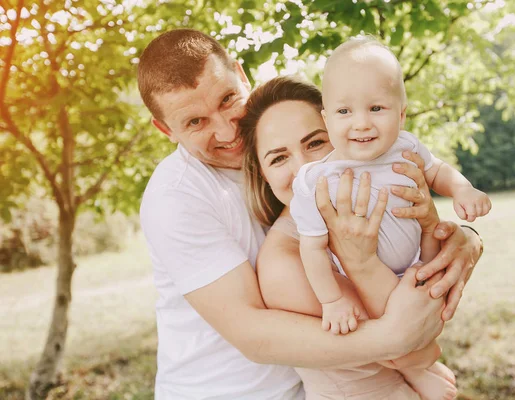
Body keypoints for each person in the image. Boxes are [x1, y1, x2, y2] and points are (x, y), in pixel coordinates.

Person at [137, 28, 483, 399]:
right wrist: (399, 344)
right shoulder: (177, 200)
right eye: (195, 122)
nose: (226, 129)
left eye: (227, 100)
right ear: (164, 129)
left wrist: (461, 237)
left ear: (242, 76)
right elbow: (252, 332)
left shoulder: (285, 136)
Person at [288, 38, 490, 399]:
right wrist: (332, 299)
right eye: (344, 112)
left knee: (428, 318)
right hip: (360, 283)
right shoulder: (315, 181)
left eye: (376, 108)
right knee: (396, 338)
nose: (361, 123)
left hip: (418, 264)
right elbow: (313, 249)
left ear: (401, 114)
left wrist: (463, 190)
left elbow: (438, 170)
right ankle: (418, 368)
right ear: (326, 118)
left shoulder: (407, 147)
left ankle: (422, 362)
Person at [240, 75, 462, 399]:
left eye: (315, 143)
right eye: (279, 158)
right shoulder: (284, 262)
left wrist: (441, 229)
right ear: (264, 174)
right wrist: (362, 262)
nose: (303, 168)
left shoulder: (370, 211)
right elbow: (415, 350)